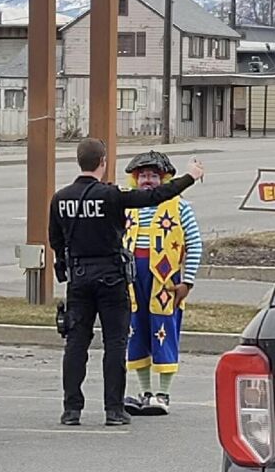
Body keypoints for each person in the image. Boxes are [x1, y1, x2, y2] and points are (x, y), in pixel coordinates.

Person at [48, 138, 204, 427]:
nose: (146, 179)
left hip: (79, 279)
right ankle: (114, 410)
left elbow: (56, 240)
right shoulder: (112, 195)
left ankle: (71, 410)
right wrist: (190, 177)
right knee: (116, 343)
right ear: (103, 162)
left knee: (76, 345)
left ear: (79, 161)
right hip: (112, 278)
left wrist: (65, 270)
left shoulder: (61, 198)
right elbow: (156, 197)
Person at [123, 151, 203, 416]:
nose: (148, 181)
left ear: (164, 178)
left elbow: (194, 244)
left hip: (166, 282)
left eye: (154, 176)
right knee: (136, 332)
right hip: (133, 280)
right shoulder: (128, 206)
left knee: (164, 331)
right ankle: (144, 392)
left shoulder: (179, 207)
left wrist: (187, 282)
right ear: (136, 179)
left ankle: (163, 393)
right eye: (143, 176)